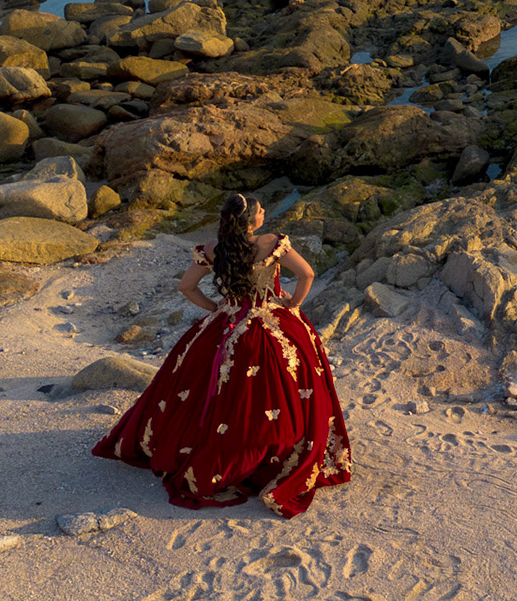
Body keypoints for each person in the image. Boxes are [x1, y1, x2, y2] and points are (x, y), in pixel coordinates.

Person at [93, 193, 352, 517]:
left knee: (198, 386)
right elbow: (307, 274)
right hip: (268, 319)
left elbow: (186, 287)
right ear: (252, 220)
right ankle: (273, 456)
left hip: (227, 323)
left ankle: (214, 450)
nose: (265, 212)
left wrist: (215, 308)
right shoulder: (272, 242)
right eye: (261, 210)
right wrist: (293, 305)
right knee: (293, 380)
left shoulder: (213, 249)